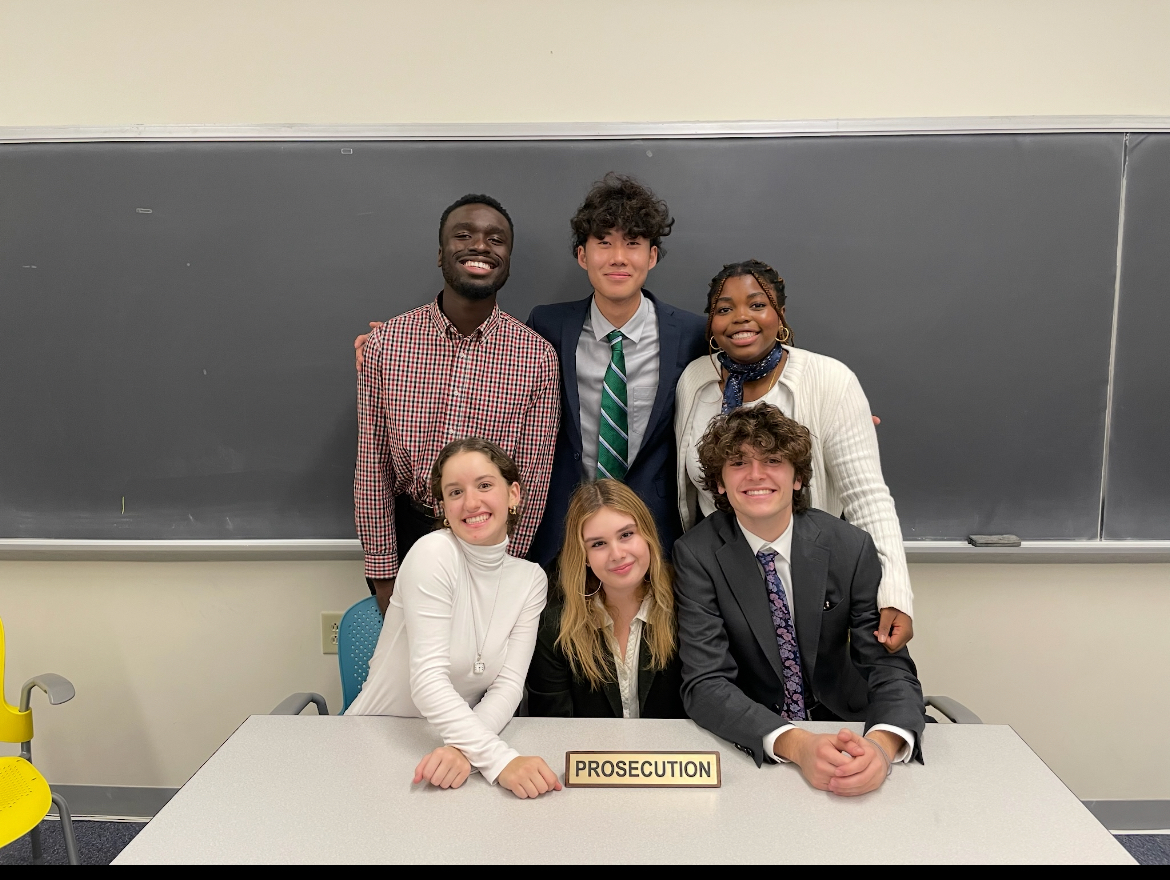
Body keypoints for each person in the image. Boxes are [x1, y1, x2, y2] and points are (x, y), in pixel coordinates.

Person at [673, 404, 925, 797]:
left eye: (772, 459)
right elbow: (706, 683)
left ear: (798, 477)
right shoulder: (696, 554)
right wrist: (797, 744)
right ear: (720, 483)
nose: (756, 475)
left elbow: (888, 669)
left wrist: (880, 747)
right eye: (738, 463)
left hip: (849, 729)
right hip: (758, 740)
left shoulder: (849, 545)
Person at [675, 259, 914, 651]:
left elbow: (867, 497)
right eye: (724, 309)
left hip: (811, 581)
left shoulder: (830, 380)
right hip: (722, 584)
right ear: (711, 325)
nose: (740, 318)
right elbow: (688, 496)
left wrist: (894, 593)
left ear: (780, 315)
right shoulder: (695, 381)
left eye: (756, 304)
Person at [355, 194, 560, 615]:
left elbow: (534, 479)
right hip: (408, 534)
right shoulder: (386, 345)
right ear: (440, 253)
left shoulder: (536, 357)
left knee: (484, 673)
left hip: (492, 543)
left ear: (508, 257)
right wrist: (383, 572)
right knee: (412, 670)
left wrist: (507, 566)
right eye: (463, 235)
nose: (481, 246)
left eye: (496, 240)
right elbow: (372, 463)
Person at [346, 438, 562, 800]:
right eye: (455, 491)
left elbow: (507, 687)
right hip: (374, 741)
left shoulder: (531, 580)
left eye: (484, 485)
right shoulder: (433, 553)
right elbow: (428, 682)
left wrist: (465, 751)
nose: (472, 502)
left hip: (450, 750)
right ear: (443, 507)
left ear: (513, 494)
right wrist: (499, 760)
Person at [526, 173, 707, 566]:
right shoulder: (547, 326)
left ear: (652, 256)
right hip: (566, 531)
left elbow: (745, 373)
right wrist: (399, 341)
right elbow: (496, 369)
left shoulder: (692, 333)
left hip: (654, 534)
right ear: (582, 255)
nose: (618, 257)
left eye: (633, 243)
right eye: (603, 243)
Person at [526, 479, 685, 719]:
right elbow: (551, 727)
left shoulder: (686, 603)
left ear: (647, 535)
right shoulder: (554, 625)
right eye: (598, 544)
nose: (617, 554)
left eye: (626, 535)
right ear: (585, 556)